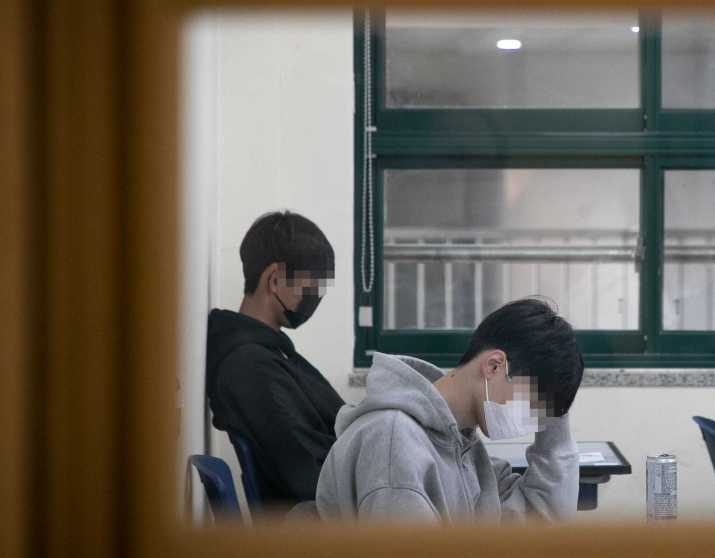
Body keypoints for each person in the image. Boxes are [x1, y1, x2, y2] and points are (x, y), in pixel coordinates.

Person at [316, 298, 583, 524]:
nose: (532, 421)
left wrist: (556, 414)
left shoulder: (463, 446)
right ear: (494, 366)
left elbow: (545, 521)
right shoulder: (393, 442)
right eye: (534, 404)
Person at [206, 211, 342, 516]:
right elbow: (310, 474)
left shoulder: (268, 351)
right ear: (275, 279)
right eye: (313, 283)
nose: (316, 295)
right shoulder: (248, 364)